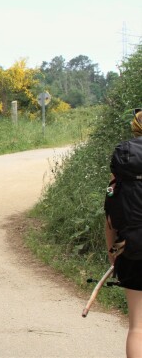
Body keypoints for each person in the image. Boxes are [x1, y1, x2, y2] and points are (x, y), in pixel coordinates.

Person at [105, 108, 142, 357]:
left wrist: (112, 251)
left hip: (131, 248)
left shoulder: (124, 164)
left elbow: (109, 215)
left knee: (137, 327)